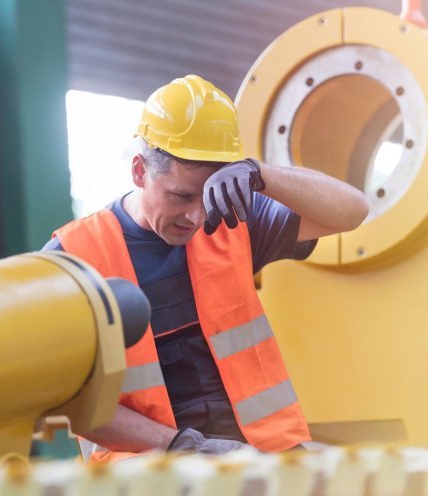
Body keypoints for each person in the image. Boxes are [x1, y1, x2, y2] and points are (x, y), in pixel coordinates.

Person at [44, 75, 368, 462]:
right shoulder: (73, 258)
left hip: (262, 455)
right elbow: (61, 395)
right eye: (181, 196)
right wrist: (181, 446)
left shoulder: (234, 221)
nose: (196, 216)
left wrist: (262, 175)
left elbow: (352, 210)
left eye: (207, 194)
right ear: (138, 171)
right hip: (146, 475)